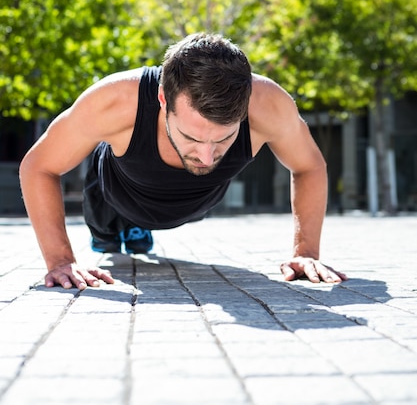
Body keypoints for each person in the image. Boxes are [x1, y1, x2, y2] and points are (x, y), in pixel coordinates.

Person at [19, 32, 346, 290]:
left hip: (194, 206)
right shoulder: (115, 100)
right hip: (115, 196)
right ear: (163, 99)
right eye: (192, 138)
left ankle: (139, 230)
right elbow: (39, 166)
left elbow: (309, 166)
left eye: (223, 140)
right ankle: (119, 231)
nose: (206, 158)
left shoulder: (269, 105)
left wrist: (306, 253)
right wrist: (60, 260)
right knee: (109, 239)